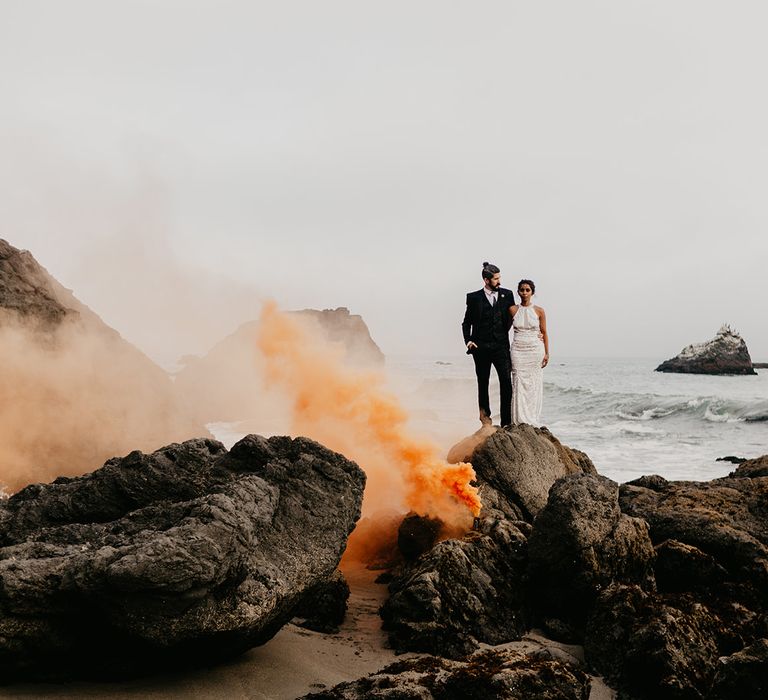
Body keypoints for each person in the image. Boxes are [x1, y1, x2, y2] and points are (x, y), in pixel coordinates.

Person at [461, 262, 515, 426]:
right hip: (480, 347)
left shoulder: (508, 294)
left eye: (499, 278)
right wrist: (469, 341)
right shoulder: (473, 297)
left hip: (501, 347)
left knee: (506, 383)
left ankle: (506, 422)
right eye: (496, 279)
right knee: (482, 382)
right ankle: (485, 420)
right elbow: (466, 323)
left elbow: (512, 318)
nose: (499, 281)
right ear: (486, 280)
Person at [509, 279, 549, 426]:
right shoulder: (512, 310)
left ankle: (532, 419)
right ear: (518, 292)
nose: (524, 293)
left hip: (535, 350)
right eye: (522, 290)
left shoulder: (539, 311)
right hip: (518, 349)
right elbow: (502, 330)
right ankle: (519, 420)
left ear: (532, 292)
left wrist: (547, 353)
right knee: (518, 381)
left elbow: (544, 332)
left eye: (527, 290)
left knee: (533, 384)